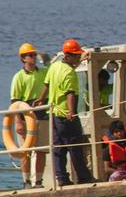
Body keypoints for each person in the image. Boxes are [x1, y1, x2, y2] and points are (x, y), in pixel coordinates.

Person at [34, 39, 94, 186]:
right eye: (77, 55)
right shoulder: (70, 73)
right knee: (75, 147)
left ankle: (62, 179)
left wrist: (41, 99)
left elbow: (47, 84)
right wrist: (71, 112)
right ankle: (84, 177)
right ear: (70, 56)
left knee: (58, 148)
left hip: (54, 114)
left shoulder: (55, 66)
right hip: (66, 115)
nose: (79, 57)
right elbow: (70, 94)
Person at [10, 43, 49, 188]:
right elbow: (14, 101)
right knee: (25, 151)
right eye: (30, 55)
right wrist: (18, 122)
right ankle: (26, 182)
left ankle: (38, 182)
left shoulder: (44, 72)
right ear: (23, 58)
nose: (33, 57)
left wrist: (46, 57)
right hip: (25, 113)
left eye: (34, 55)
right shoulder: (18, 77)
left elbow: (53, 71)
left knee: (41, 150)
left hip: (42, 112)